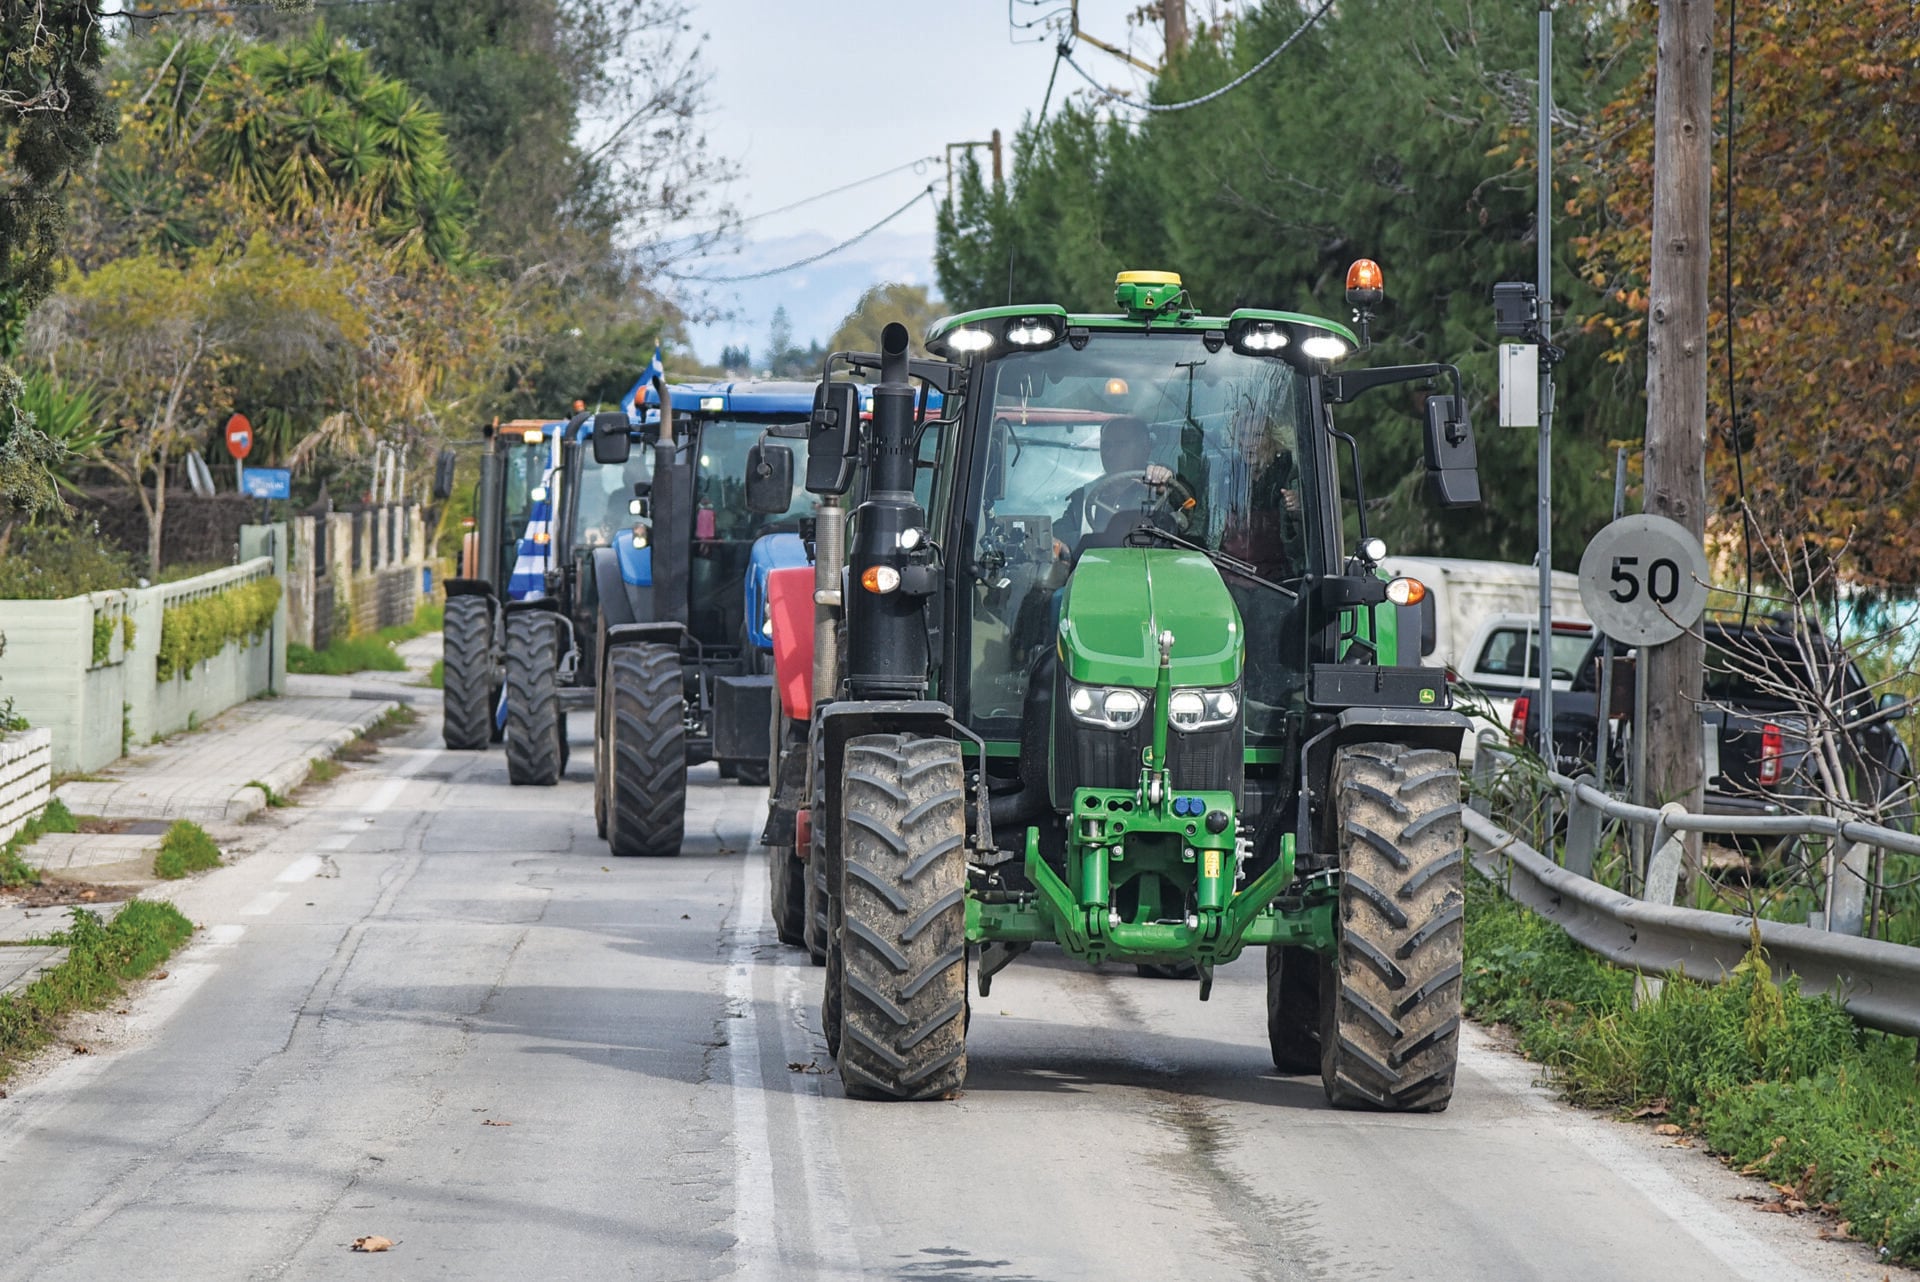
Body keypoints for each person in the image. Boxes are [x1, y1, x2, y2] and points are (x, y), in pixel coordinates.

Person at [1055, 415, 1175, 554]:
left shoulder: (1166, 489)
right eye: (1106, 446)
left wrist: (1167, 491)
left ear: (1145, 449)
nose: (1110, 453)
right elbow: (1058, 535)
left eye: (1121, 444)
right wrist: (1053, 541)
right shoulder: (1085, 496)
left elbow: (1190, 530)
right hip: (1095, 572)